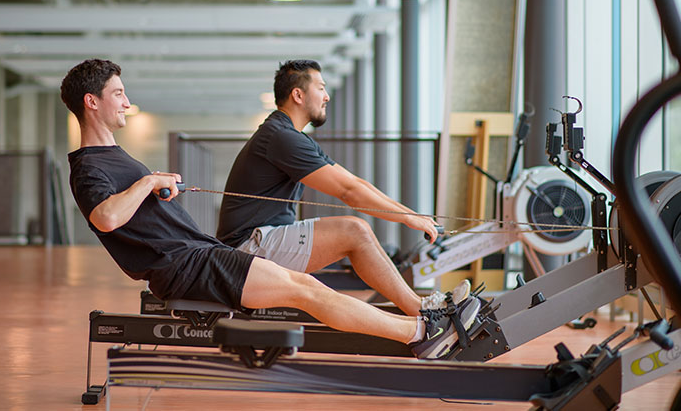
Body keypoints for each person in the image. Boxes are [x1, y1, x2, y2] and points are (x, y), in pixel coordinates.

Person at [60, 58, 480, 360]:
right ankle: (422, 330)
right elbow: (106, 217)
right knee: (309, 290)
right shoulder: (89, 164)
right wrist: (150, 181)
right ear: (91, 102)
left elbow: (128, 207)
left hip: (200, 255)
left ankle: (421, 326)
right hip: (187, 266)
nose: (127, 101)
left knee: (311, 290)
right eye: (118, 93)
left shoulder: (114, 157)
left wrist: (155, 185)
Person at [216, 59, 471, 316]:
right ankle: (422, 311)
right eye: (321, 88)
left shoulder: (292, 136)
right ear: (298, 95)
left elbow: (356, 183)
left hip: (262, 240)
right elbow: (348, 193)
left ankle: (422, 308)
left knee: (356, 231)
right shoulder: (280, 137)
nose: (326, 97)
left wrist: (412, 215)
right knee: (354, 231)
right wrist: (408, 219)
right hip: (246, 249)